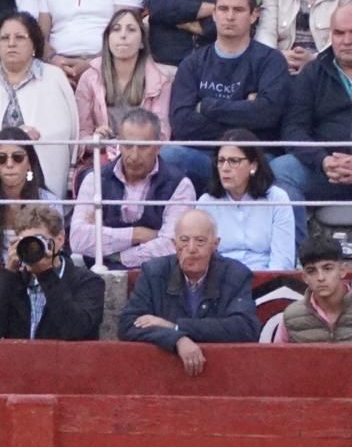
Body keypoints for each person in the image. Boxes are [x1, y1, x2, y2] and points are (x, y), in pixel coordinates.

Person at [168, 0, 292, 187]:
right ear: (214, 14)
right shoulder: (192, 63)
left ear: (254, 15)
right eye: (223, 9)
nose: (230, 16)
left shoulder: (271, 60)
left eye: (238, 10)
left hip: (255, 159)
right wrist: (245, 110)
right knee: (170, 155)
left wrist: (206, 107)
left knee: (280, 171)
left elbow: (268, 115)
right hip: (205, 156)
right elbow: (182, 124)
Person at [117, 208, 260, 375]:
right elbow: (128, 325)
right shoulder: (154, 272)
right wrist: (177, 338)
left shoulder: (236, 274)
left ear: (215, 244)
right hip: (163, 374)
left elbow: (245, 328)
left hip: (223, 372)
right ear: (174, 243)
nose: (191, 249)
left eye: (200, 241)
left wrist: (176, 326)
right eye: (184, 240)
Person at [0, 10, 78, 195]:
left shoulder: (54, 77)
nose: (11, 43)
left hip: (32, 167)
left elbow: (64, 129)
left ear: (34, 44)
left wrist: (24, 139)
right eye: (4, 38)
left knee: (30, 183)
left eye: (20, 37)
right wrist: (1, 138)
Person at [69, 108, 196, 269]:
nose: (134, 156)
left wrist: (120, 256)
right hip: (99, 278)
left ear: (158, 146)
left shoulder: (180, 185)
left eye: (143, 147)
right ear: (119, 144)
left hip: (157, 278)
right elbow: (78, 239)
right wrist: (138, 234)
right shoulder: (95, 179)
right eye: (128, 146)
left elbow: (172, 245)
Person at [0, 203, 103, 339]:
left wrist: (46, 275)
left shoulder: (88, 282)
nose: (33, 248)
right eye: (26, 242)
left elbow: (76, 331)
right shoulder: (12, 282)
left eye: (39, 241)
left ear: (60, 239)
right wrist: (8, 272)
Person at [73, 9, 173, 171]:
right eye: (116, 29)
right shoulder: (90, 78)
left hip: (142, 159)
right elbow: (81, 133)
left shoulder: (160, 82)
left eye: (131, 29)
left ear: (142, 42)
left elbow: (161, 135)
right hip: (101, 159)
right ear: (107, 39)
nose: (123, 35)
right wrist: (96, 139)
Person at [278, 2, 352, 217]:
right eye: (339, 33)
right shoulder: (312, 73)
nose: (346, 41)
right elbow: (293, 129)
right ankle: (300, 248)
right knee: (281, 170)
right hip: (325, 170)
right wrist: (323, 160)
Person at [0, 128, 64, 269]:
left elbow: (53, 253)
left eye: (18, 157)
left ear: (29, 163)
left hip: (37, 276)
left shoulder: (50, 204)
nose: (9, 164)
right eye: (1, 159)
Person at [195, 129, 297, 271]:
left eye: (234, 161)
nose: (225, 168)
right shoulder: (206, 203)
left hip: (267, 281)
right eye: (221, 161)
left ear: (253, 165)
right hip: (222, 282)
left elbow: (283, 260)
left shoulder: (277, 198)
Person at [34, 0, 143, 85]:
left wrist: (93, 64)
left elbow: (125, 31)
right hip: (56, 67)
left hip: (109, 65)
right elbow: (40, 36)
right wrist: (53, 60)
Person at [146, 0, 255, 68]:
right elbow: (156, 8)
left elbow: (243, 22)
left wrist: (177, 17)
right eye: (223, 8)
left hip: (220, 68)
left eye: (221, 8)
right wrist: (216, 9)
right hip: (164, 69)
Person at [258, 0, 352, 73]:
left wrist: (315, 60)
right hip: (280, 67)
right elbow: (265, 31)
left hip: (326, 70)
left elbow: (343, 38)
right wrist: (276, 57)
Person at [275, 233, 352, 341]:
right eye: (311, 271)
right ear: (304, 277)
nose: (320, 277)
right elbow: (277, 356)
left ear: (343, 271)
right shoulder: (291, 316)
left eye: (328, 268)